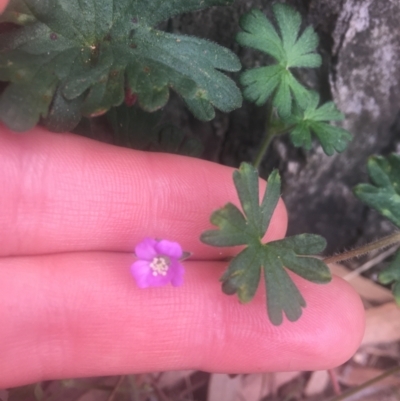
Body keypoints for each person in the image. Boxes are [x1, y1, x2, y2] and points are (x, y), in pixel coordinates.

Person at [0, 0, 364, 389]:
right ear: (163, 257)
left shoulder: (166, 263)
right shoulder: (161, 255)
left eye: (159, 263)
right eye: (159, 262)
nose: (158, 264)